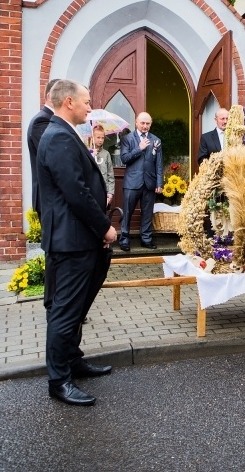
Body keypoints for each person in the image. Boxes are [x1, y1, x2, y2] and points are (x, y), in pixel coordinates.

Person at [37, 79, 118, 406]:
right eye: (86, 101)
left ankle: (73, 361)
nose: (90, 106)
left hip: (78, 239)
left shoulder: (66, 134)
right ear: (68, 101)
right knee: (65, 312)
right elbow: (76, 193)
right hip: (71, 241)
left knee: (76, 307)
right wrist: (105, 228)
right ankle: (59, 381)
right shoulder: (58, 137)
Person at [119, 111, 163, 251]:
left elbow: (159, 164)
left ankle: (146, 239)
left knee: (147, 213)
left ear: (151, 124)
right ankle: (124, 239)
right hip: (132, 182)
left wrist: (159, 183)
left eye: (148, 123)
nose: (145, 126)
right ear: (136, 123)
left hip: (149, 183)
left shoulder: (156, 140)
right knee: (127, 212)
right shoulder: (127, 139)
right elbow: (124, 159)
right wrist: (139, 148)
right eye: (142, 123)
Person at [27, 78, 60, 214]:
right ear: (49, 97)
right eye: (59, 95)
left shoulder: (50, 119)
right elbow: (53, 158)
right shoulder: (42, 121)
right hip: (48, 197)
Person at [91, 125, 115, 207]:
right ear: (92, 137)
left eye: (102, 138)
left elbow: (110, 174)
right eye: (98, 137)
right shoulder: (87, 152)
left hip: (103, 190)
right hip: (90, 190)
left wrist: (110, 192)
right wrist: (91, 154)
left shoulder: (106, 154)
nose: (101, 140)